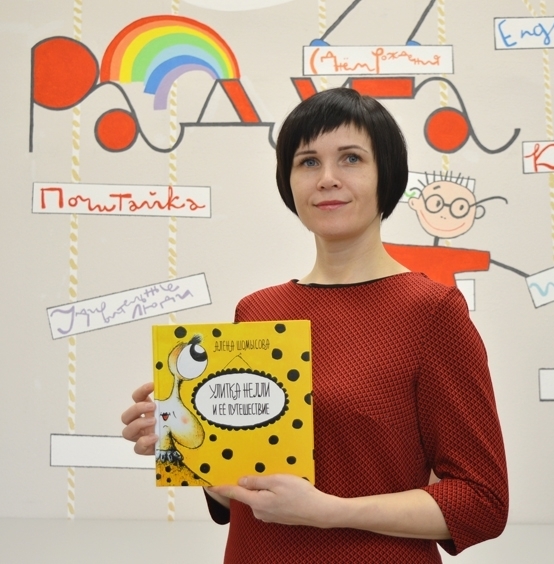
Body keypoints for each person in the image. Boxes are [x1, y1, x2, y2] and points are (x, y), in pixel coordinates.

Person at [121, 87, 508, 563]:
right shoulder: (258, 311)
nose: (327, 179)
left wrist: (329, 511)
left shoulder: (431, 311)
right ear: (289, 183)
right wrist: (185, 444)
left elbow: (481, 501)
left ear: (387, 174)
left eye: (351, 159)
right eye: (308, 162)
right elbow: (247, 483)